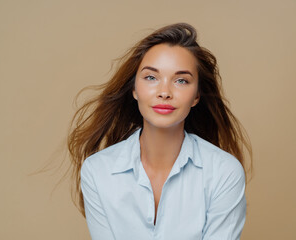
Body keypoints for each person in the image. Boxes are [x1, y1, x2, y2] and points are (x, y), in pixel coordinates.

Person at [68, 23, 252, 240]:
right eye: (151, 77)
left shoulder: (224, 173)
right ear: (134, 89)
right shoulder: (98, 171)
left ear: (196, 96)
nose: (164, 92)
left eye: (181, 80)